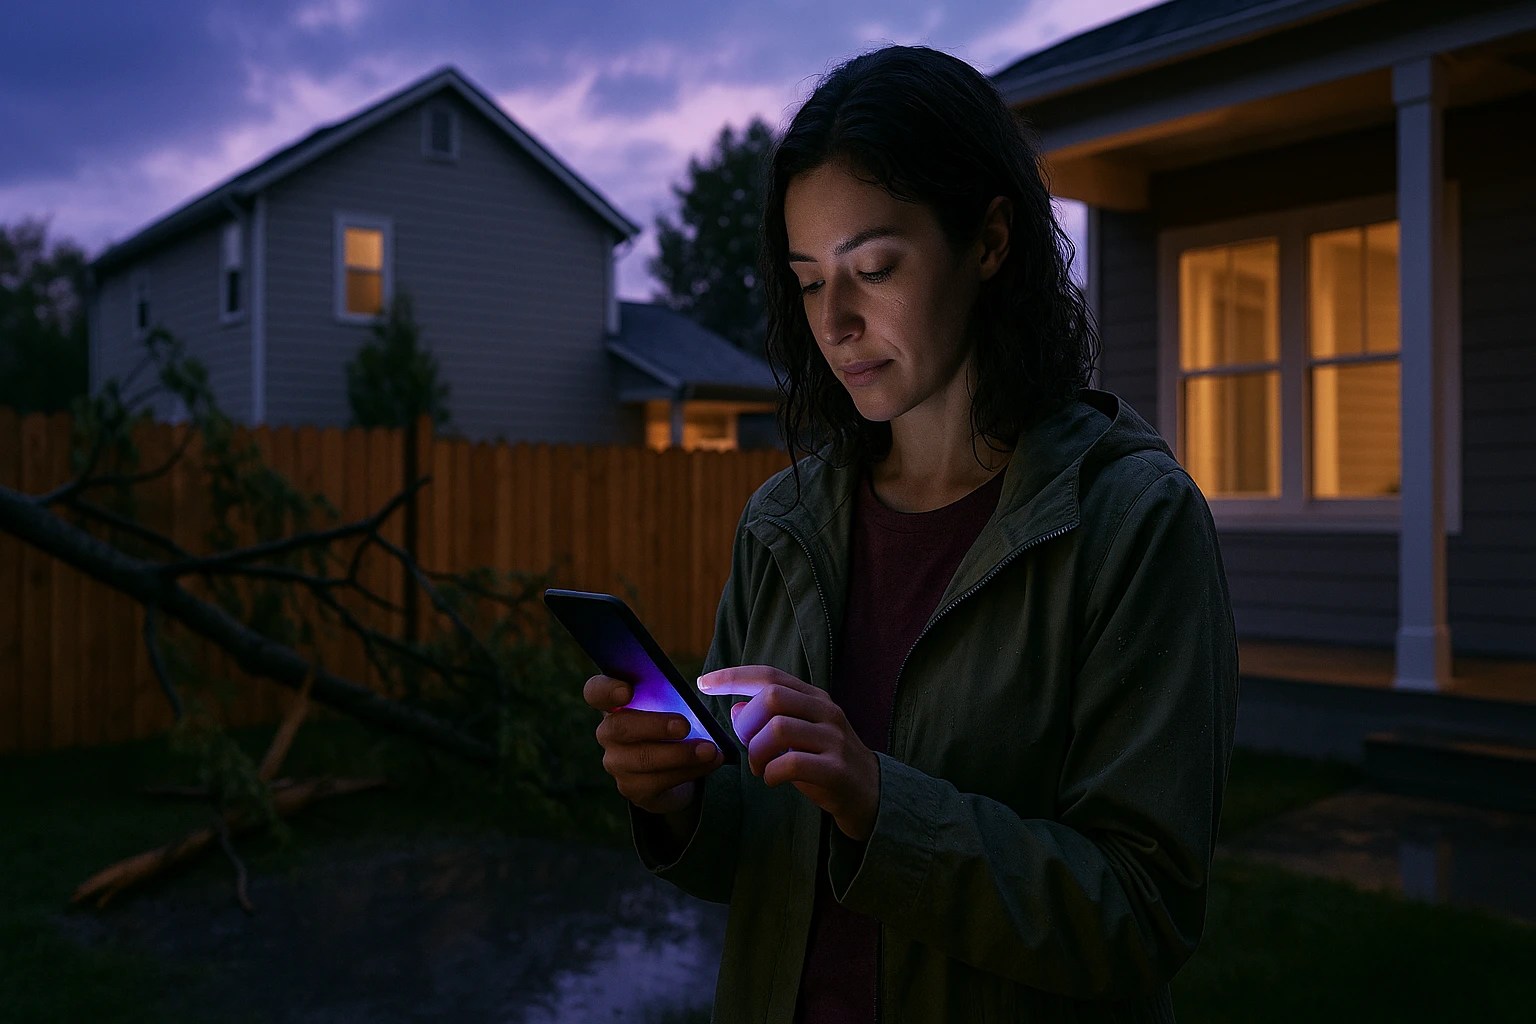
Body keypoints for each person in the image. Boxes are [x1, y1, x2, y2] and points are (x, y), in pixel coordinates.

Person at [583, 45, 1238, 1023]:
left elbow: (1139, 917)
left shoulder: (1129, 522)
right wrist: (672, 797)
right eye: (808, 281)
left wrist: (880, 805)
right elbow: (750, 859)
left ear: (989, 240)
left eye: (874, 267)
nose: (835, 320)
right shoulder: (784, 525)